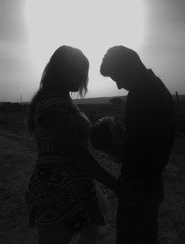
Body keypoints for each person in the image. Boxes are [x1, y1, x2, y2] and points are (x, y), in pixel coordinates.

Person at [25, 45, 119, 244]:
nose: (82, 78)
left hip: (73, 183)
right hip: (57, 186)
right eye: (78, 72)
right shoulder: (52, 103)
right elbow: (75, 151)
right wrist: (112, 183)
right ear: (63, 71)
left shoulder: (61, 100)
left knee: (89, 232)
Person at [100, 45, 175, 244]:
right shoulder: (157, 87)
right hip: (153, 184)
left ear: (126, 67)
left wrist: (107, 145)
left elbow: (137, 151)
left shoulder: (141, 94)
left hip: (137, 188)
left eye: (116, 77)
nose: (117, 86)